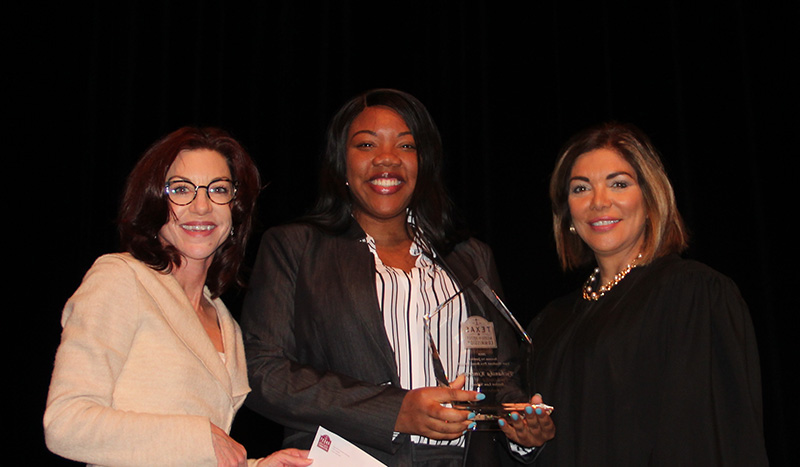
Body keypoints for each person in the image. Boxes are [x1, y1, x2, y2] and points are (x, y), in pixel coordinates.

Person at [240, 89, 554, 466]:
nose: (387, 159)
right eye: (366, 144)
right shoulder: (296, 248)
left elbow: (499, 377)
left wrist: (520, 428)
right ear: (341, 162)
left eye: (406, 146)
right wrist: (394, 411)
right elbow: (262, 372)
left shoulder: (471, 258)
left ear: (424, 163)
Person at [44, 127, 312, 467]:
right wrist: (200, 438)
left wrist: (256, 465)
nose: (201, 206)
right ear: (155, 201)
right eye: (181, 189)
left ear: (235, 208)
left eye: (218, 190)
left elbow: (194, 453)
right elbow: (66, 424)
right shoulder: (120, 278)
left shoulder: (222, 317)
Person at [527, 121, 769, 465]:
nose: (598, 202)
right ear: (568, 213)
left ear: (651, 197)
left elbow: (704, 438)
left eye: (619, 184)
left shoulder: (694, 294)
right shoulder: (550, 323)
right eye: (581, 189)